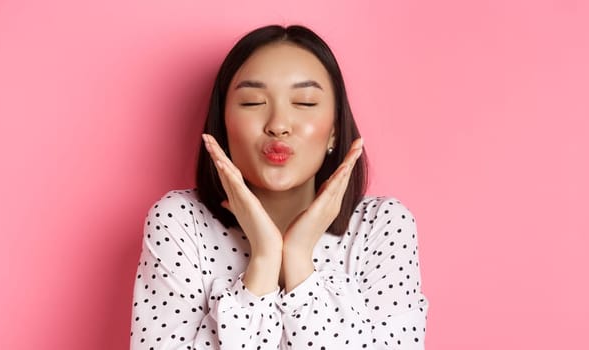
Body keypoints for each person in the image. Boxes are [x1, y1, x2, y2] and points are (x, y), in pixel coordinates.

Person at [130, 24, 428, 349]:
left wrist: (298, 258)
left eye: (304, 102)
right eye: (253, 102)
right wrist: (264, 258)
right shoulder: (180, 223)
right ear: (223, 124)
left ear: (334, 129)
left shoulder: (381, 225)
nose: (278, 125)